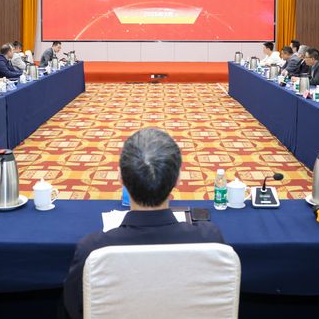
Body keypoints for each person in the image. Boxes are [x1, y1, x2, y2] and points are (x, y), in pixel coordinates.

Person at [63, 128, 225, 319]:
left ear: (120, 177)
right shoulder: (210, 240)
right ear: (178, 179)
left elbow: (74, 308)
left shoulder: (93, 249)